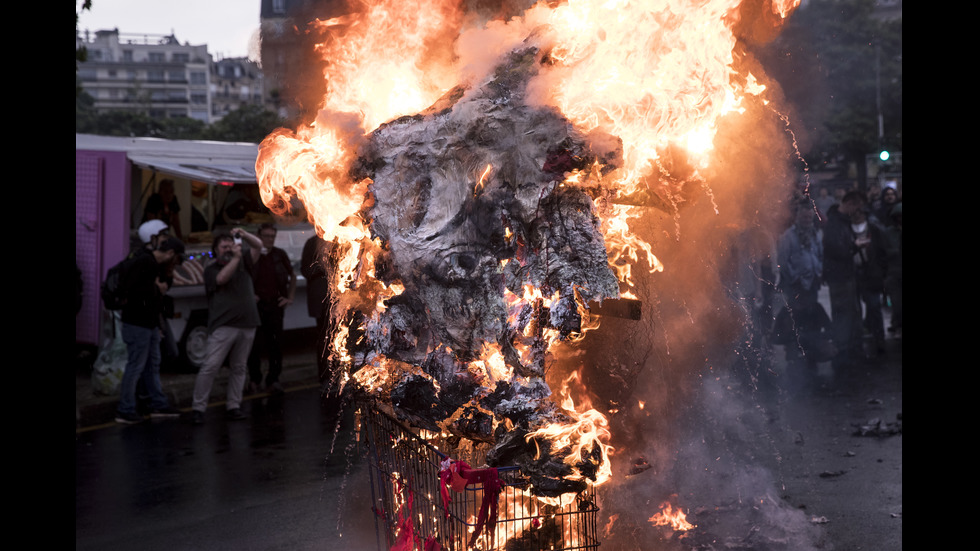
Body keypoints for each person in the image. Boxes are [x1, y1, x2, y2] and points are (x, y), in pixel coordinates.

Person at [190, 228, 262, 424]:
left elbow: (259, 245)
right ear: (216, 250)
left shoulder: (244, 261)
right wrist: (236, 259)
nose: (228, 249)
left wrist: (244, 235)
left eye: (230, 245)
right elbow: (222, 279)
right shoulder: (212, 268)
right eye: (224, 246)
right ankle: (198, 408)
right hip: (224, 326)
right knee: (210, 366)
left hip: (247, 323)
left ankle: (234, 406)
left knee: (239, 367)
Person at [114, 235, 186, 424]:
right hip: (138, 323)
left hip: (148, 324)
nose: (175, 264)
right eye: (176, 259)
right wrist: (156, 289)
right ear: (170, 253)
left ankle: (156, 403)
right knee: (136, 366)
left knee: (151, 364)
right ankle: (126, 408)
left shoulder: (152, 263)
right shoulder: (145, 262)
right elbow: (136, 292)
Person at [776, 198, 830, 366]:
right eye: (804, 217)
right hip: (795, 285)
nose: (807, 220)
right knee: (795, 318)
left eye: (809, 217)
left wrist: (819, 271)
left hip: (812, 282)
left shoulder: (815, 234)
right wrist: (794, 278)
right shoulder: (788, 236)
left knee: (810, 317)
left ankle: (810, 352)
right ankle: (793, 353)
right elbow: (783, 261)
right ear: (798, 216)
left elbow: (820, 255)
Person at [246, 223, 297, 394]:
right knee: (254, 345)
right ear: (259, 236)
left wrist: (289, 297)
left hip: (275, 306)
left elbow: (293, 275)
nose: (269, 239)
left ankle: (273, 379)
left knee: (275, 345)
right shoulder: (252, 255)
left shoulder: (279, 255)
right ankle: (254, 379)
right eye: (266, 236)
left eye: (271, 236)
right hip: (256, 306)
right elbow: (243, 276)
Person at [822, 190, 865, 360]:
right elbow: (837, 250)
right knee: (843, 313)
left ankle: (847, 346)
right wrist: (854, 246)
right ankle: (843, 348)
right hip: (839, 276)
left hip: (843, 275)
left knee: (847, 312)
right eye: (856, 207)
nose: (856, 212)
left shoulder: (840, 221)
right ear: (849, 204)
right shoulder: (835, 223)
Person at [850, 202, 888, 355]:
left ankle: (879, 338)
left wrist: (881, 271)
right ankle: (857, 341)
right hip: (853, 273)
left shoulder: (874, 229)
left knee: (874, 306)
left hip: (871, 273)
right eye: (855, 213)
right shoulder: (846, 230)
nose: (858, 215)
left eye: (860, 212)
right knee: (854, 310)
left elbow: (882, 251)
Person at [301, 233, 335, 385]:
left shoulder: (338, 239)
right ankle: (325, 375)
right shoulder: (312, 243)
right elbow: (305, 270)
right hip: (321, 301)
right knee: (324, 339)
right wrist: (321, 267)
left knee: (339, 338)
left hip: (338, 301)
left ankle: (338, 374)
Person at [882, 202, 902, 336]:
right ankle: (897, 325)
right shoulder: (888, 232)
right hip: (894, 272)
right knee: (896, 302)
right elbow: (883, 251)